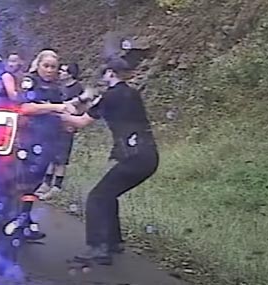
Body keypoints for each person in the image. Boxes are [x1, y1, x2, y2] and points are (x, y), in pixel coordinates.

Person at [58, 56, 159, 265]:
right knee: (108, 194)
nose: (103, 76)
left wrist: (58, 115)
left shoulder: (110, 96)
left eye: (105, 73)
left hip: (133, 156)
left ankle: (98, 248)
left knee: (97, 197)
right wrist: (82, 102)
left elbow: (80, 122)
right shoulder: (131, 93)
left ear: (111, 73)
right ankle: (113, 242)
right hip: (148, 155)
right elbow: (92, 108)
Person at [13, 49, 75, 241]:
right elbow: (25, 107)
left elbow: (59, 110)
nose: (49, 70)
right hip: (28, 137)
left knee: (35, 182)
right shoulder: (30, 81)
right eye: (46, 66)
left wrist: (69, 119)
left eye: (53, 67)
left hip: (49, 138)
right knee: (22, 180)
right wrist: (54, 107)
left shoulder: (57, 87)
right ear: (38, 65)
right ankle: (15, 218)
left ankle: (25, 218)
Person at [35, 63, 85, 200]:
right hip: (54, 124)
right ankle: (46, 183)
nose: (60, 72)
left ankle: (57, 186)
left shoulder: (77, 88)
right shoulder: (58, 86)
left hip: (67, 125)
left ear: (70, 73)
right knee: (51, 154)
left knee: (61, 158)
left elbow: (82, 106)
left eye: (64, 70)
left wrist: (75, 120)